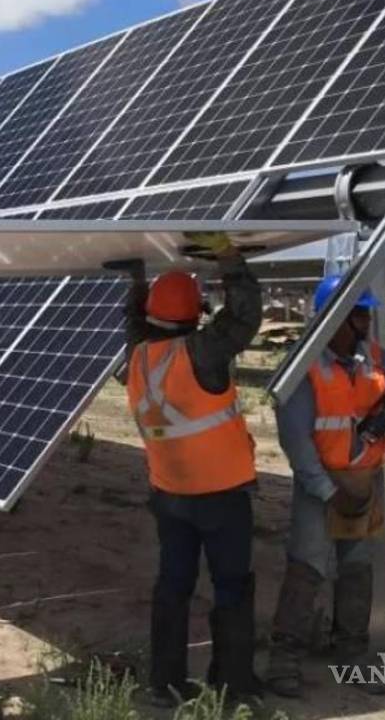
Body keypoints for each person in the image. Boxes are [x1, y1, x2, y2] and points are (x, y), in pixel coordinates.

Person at [111, 231, 263, 705]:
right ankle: (233, 687)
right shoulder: (200, 351)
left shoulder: (138, 355)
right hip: (222, 494)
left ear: (153, 313)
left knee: (173, 587)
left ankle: (166, 683)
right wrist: (229, 257)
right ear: (194, 314)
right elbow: (244, 318)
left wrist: (137, 283)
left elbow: (134, 324)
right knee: (232, 587)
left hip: (170, 496)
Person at [265, 274, 385, 698]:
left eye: (366, 314)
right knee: (307, 568)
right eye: (359, 314)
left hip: (364, 481)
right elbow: (296, 442)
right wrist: (330, 493)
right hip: (321, 487)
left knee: (357, 570)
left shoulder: (377, 359)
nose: (366, 322)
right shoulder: (302, 366)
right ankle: (284, 664)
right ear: (334, 318)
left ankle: (352, 655)